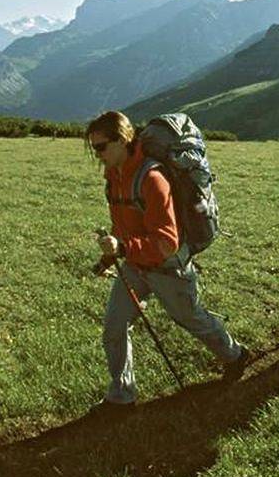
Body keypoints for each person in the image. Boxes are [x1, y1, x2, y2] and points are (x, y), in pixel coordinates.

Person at [86, 110, 249, 409]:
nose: (97, 155)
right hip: (136, 265)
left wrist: (122, 248)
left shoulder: (152, 178)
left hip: (168, 268)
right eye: (93, 147)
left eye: (100, 147)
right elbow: (123, 223)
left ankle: (235, 355)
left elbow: (167, 241)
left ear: (122, 140)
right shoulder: (114, 176)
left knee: (191, 319)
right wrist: (111, 256)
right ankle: (122, 396)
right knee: (114, 326)